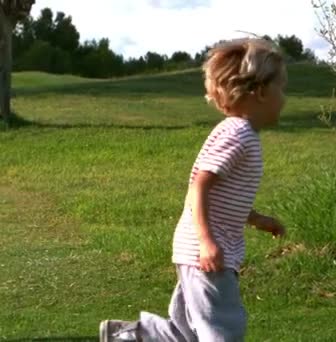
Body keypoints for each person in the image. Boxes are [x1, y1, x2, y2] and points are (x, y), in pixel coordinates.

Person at [99, 37, 287, 342]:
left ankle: (129, 336)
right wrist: (206, 242)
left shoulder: (240, 134)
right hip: (208, 252)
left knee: (185, 330)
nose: (285, 98)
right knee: (222, 326)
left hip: (198, 249)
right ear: (261, 92)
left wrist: (257, 219)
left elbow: (224, 197)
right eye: (282, 88)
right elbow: (199, 186)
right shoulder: (238, 134)